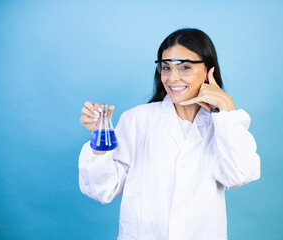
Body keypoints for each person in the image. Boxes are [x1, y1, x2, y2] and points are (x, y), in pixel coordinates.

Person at [79, 28, 260, 240]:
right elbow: (103, 190)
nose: (173, 78)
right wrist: (100, 140)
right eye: (166, 67)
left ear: (209, 71)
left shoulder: (222, 126)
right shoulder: (137, 120)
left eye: (184, 67)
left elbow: (239, 175)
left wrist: (227, 109)